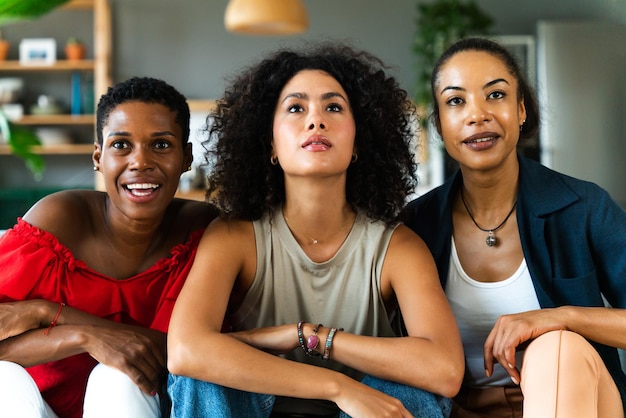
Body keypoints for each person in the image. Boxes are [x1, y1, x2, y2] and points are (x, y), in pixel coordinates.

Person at [166, 42, 464, 418]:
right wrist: (337, 387)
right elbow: (185, 351)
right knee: (200, 377)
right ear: (271, 144)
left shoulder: (397, 247)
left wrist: (316, 338)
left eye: (334, 107)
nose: (315, 120)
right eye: (295, 108)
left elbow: (445, 370)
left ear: (358, 142)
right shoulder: (233, 237)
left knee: (413, 394)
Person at [401, 37, 626, 418]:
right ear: (439, 125)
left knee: (557, 347)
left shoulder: (584, 206)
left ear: (521, 110)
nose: (477, 115)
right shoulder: (416, 227)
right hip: (459, 413)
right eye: (456, 101)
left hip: (580, 403)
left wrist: (560, 317)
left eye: (496, 95)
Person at [0, 76, 218, 418]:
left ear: (186, 157)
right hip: (38, 409)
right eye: (121, 145)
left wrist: (47, 314)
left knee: (118, 374)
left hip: (138, 405)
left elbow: (191, 351)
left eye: (161, 145)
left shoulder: (204, 232)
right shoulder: (58, 220)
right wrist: (82, 336)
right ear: (98, 157)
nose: (140, 162)